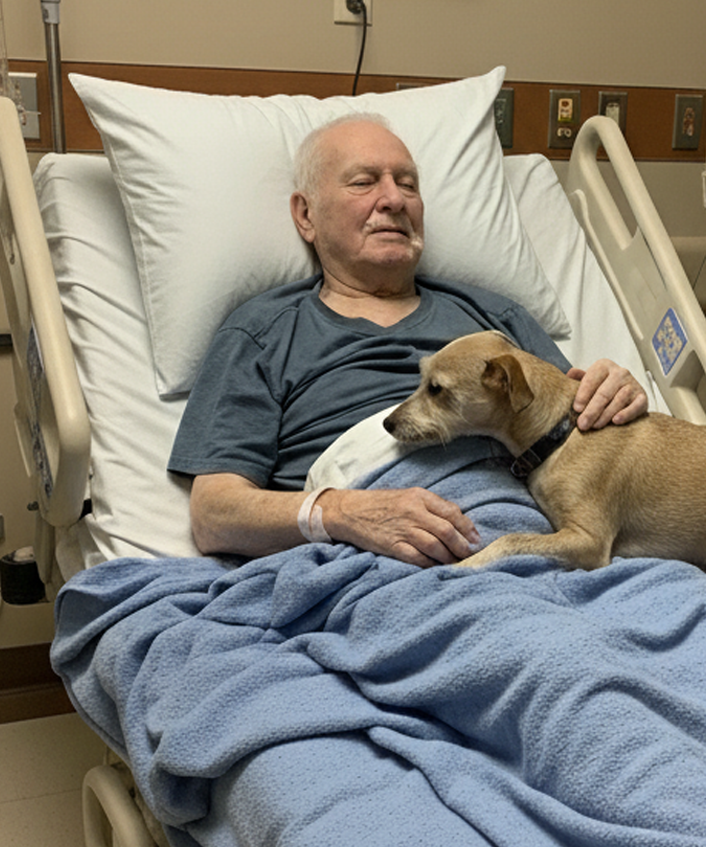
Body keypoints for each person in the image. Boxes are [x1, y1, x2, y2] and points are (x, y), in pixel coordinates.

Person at [168, 115, 648, 568]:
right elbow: (215, 516)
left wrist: (614, 400)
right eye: (364, 182)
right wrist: (342, 513)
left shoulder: (493, 320)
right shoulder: (262, 333)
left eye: (408, 184)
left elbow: (577, 449)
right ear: (306, 214)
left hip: (530, 545)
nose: (394, 200)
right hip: (374, 559)